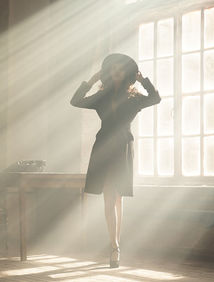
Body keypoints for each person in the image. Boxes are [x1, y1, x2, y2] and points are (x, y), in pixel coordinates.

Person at [70, 53, 161, 268]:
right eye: (113, 69)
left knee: (118, 197)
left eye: (121, 69)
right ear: (109, 73)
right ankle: (115, 246)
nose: (117, 72)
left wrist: (143, 80)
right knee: (109, 196)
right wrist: (91, 81)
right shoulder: (101, 97)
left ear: (127, 73)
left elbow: (156, 98)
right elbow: (75, 101)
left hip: (123, 146)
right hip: (103, 147)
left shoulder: (135, 97)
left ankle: (115, 246)